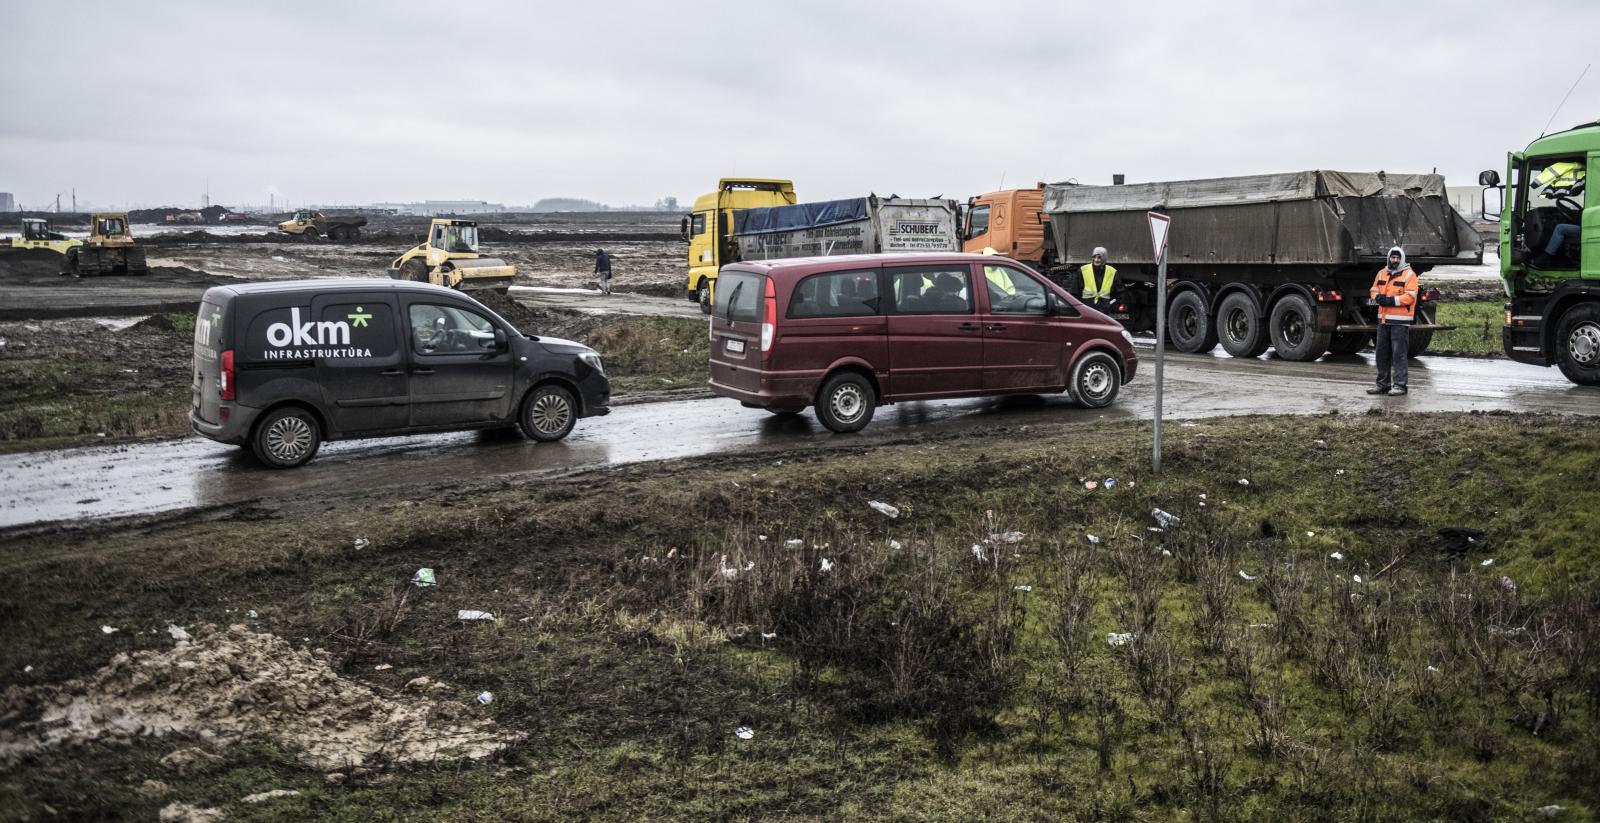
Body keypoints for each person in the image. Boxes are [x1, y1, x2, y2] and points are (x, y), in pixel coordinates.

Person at [1367, 245, 1419, 396]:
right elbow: (1374, 289)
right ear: (1389, 258)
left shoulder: (1409, 275)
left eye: (1397, 258)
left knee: (1399, 355)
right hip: (1383, 321)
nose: (1394, 260)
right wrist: (1376, 298)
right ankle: (1382, 385)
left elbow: (1410, 296)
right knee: (1381, 354)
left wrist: (1391, 301)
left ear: (1402, 259)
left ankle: (1400, 386)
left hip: (1399, 322)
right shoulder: (1381, 273)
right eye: (1392, 257)